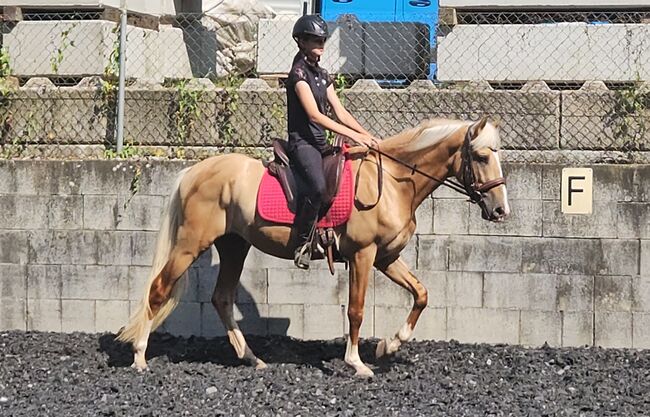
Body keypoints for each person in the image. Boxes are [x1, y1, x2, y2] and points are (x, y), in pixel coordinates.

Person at [286, 14, 378, 270]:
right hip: (303, 144)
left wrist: (366, 135)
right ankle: (303, 243)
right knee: (317, 187)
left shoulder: (321, 74)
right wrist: (352, 135)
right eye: (314, 39)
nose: (320, 43)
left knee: (346, 177)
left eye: (322, 39)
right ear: (301, 42)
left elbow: (340, 111)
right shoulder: (298, 74)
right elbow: (314, 114)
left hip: (320, 144)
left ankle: (336, 235)